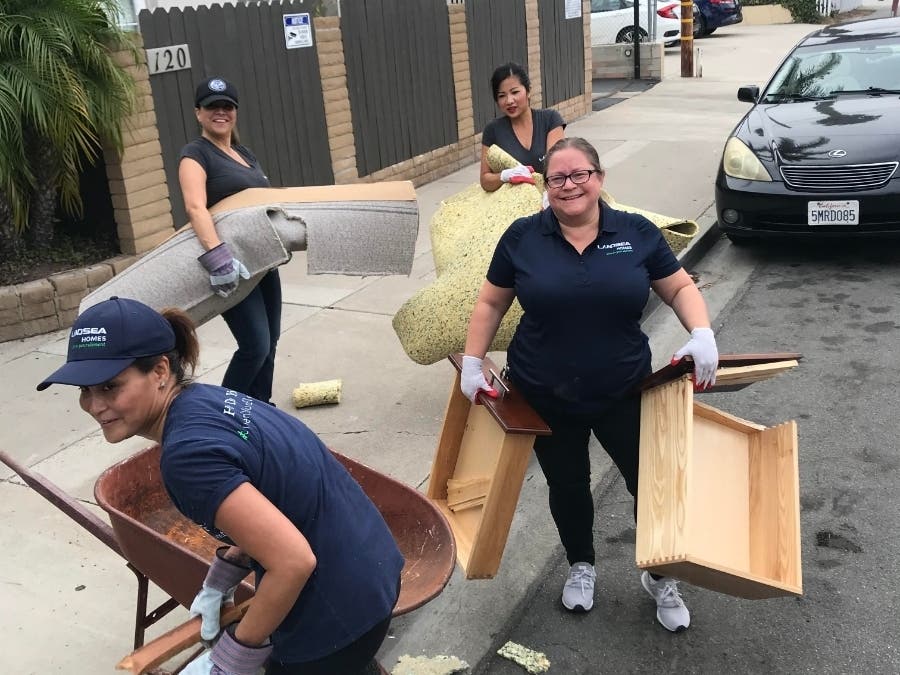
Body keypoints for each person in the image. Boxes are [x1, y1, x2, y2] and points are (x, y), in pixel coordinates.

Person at [37, 296, 404, 675]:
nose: (95, 405)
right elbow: (274, 499)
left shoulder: (186, 457)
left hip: (333, 613)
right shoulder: (208, 400)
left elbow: (293, 562)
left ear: (161, 370)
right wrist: (221, 579)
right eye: (85, 390)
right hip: (372, 572)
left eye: (111, 387)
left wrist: (231, 660)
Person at [460, 137, 719, 632]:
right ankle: (581, 563)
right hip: (545, 392)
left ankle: (661, 573)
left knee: (651, 483)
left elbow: (680, 287)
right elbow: (490, 304)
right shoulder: (522, 238)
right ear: (545, 186)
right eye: (557, 178)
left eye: (580, 175)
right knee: (568, 484)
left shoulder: (636, 232)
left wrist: (701, 332)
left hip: (623, 389)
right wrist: (474, 362)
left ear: (599, 178)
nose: (569, 186)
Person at [179, 76, 282, 404]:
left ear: (235, 112)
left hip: (263, 264)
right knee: (255, 346)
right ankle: (223, 418)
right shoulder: (195, 154)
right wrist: (217, 257)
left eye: (227, 106)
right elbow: (196, 207)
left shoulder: (244, 154)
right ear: (198, 113)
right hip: (232, 267)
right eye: (212, 106)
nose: (220, 112)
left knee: (271, 343)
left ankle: (260, 410)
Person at [479, 62, 566, 193]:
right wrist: (504, 176)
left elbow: (557, 167)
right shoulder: (493, 130)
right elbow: (485, 181)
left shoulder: (550, 120)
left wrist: (549, 197)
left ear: (528, 91)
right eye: (502, 96)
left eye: (515, 92)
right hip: (513, 206)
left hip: (549, 200)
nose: (509, 100)